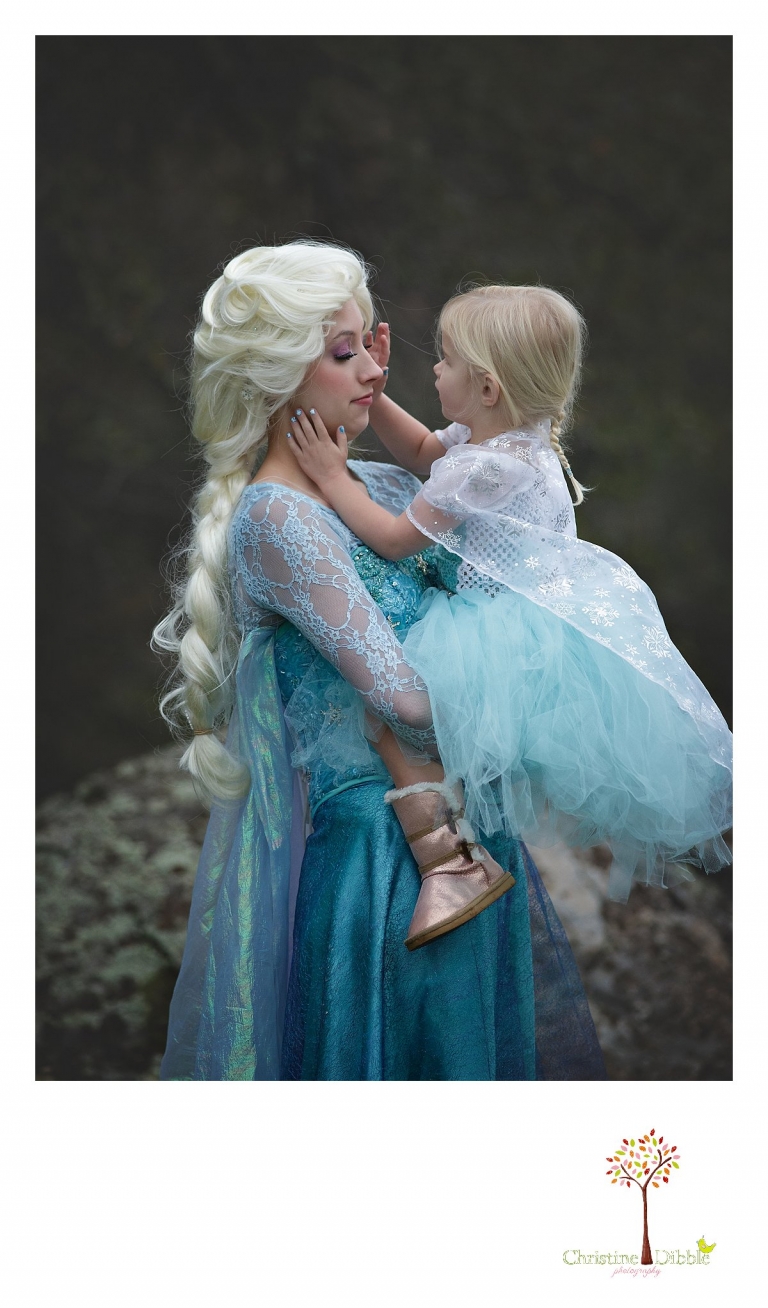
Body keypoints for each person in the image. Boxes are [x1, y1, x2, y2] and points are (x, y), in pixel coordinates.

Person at [154, 242, 605, 1080]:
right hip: (385, 871)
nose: (368, 369)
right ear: (277, 376)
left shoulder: (364, 485)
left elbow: (438, 485)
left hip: (467, 848)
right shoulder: (282, 518)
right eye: (341, 352)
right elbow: (405, 698)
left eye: (371, 345)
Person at [288, 284, 733, 905]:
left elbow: (393, 539)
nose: (434, 369)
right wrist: (378, 393)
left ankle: (448, 859)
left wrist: (334, 478)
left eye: (443, 360)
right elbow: (422, 452)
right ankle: (455, 852)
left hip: (494, 629)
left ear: (488, 388)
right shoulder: (514, 441)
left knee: (389, 711)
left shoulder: (484, 468)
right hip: (535, 621)